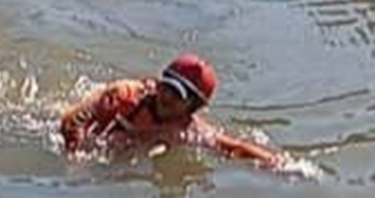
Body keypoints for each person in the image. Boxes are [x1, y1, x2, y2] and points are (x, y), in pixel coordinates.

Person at [60, 53, 285, 168]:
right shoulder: (124, 96)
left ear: (193, 107)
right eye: (165, 85)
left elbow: (234, 147)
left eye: (177, 93)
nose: (165, 95)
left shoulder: (189, 129)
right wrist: (76, 160)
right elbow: (71, 121)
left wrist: (280, 164)